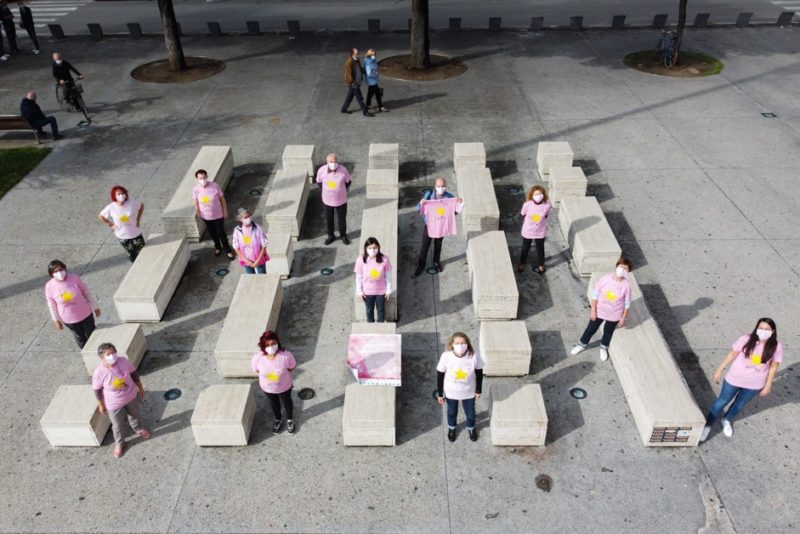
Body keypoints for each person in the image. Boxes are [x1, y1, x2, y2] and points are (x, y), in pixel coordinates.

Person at [700, 318, 782, 442]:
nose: (763, 331)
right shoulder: (746, 339)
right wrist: (720, 369)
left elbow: (774, 367)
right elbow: (732, 354)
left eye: (767, 329)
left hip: (755, 384)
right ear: (756, 328)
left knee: (740, 404)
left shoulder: (776, 346)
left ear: (773, 331)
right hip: (734, 379)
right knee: (721, 401)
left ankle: (727, 419)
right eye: (761, 328)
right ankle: (708, 424)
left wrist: (768, 385)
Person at [92, 342, 150, 458]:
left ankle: (137, 428)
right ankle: (119, 443)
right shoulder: (99, 372)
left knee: (134, 414)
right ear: (101, 357)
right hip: (114, 402)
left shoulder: (123, 361)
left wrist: (140, 388)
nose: (112, 356)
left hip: (131, 395)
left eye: (114, 352)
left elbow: (133, 374)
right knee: (117, 425)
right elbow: (97, 390)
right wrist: (101, 404)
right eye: (108, 354)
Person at [570, 257, 632, 362]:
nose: (622, 269)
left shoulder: (626, 285)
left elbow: (627, 303)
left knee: (608, 332)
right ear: (617, 266)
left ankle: (603, 347)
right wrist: (593, 310)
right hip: (599, 311)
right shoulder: (605, 278)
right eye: (621, 266)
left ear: (628, 272)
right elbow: (595, 294)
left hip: (615, 314)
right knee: (590, 329)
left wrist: (623, 317)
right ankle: (581, 344)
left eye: (625, 268)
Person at [436, 332, 484, 442]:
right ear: (452, 344)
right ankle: (452, 428)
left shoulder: (474, 355)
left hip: (469, 391)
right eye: (457, 343)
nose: (460, 345)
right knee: (451, 412)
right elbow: (440, 375)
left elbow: (479, 373)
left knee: (470, 413)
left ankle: (471, 428)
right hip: (451, 392)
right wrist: (440, 394)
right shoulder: (446, 356)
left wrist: (478, 390)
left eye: (463, 343)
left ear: (467, 343)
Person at [44, 260, 100, 349]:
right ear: (51, 274)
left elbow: (87, 293)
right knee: (80, 338)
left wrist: (95, 307)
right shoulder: (49, 286)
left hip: (85, 313)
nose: (59, 273)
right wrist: (56, 320)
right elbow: (52, 305)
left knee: (92, 334)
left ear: (64, 268)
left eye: (61, 269)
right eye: (55, 271)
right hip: (69, 319)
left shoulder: (75, 278)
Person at [414, 177, 463, 276]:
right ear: (435, 186)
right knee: (424, 245)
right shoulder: (429, 195)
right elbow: (419, 208)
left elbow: (454, 211)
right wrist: (421, 202)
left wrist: (460, 204)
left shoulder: (450, 198)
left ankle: (436, 261)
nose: (440, 188)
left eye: (442, 186)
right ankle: (421, 265)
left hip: (441, 225)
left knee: (438, 244)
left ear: (446, 186)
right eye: (438, 186)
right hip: (429, 225)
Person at [251, 330, 297, 434]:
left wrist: (280, 375)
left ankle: (290, 419)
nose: (271, 347)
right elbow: (257, 370)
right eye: (267, 345)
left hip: (285, 386)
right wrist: (271, 377)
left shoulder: (286, 356)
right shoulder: (257, 358)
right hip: (268, 389)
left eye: (273, 343)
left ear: (277, 342)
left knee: (287, 402)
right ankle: (278, 419)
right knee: (274, 403)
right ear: (263, 346)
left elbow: (292, 367)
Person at [192, 169, 234, 259]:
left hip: (218, 215)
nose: (202, 180)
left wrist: (225, 211)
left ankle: (228, 250)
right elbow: (196, 201)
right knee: (212, 233)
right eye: (200, 178)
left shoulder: (214, 186)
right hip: (206, 217)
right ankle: (218, 247)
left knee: (221, 233)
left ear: (207, 176)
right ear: (197, 179)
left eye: (204, 177)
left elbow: (222, 198)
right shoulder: (196, 189)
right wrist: (198, 212)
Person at [98, 185, 145, 262]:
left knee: (143, 252)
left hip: (136, 233)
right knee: (132, 255)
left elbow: (141, 206)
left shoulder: (132, 203)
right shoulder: (111, 207)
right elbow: (101, 216)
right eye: (119, 194)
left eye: (123, 193)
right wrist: (111, 224)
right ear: (114, 196)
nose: (121, 195)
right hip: (123, 236)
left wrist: (138, 219)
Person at [315, 153, 352, 245]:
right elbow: (319, 182)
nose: (333, 164)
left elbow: (348, 182)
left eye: (335, 161)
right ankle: (331, 236)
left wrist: (339, 190)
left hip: (341, 200)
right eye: (331, 162)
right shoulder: (321, 171)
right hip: (327, 201)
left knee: (342, 219)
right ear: (327, 162)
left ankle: (343, 235)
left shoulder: (343, 170)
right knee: (329, 219)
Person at [354, 237, 393, 323]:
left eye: (375, 247)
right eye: (370, 248)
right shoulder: (360, 260)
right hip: (367, 292)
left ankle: (380, 325)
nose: (372, 250)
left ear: (378, 247)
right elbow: (359, 277)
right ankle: (370, 325)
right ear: (366, 248)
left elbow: (388, 276)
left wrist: (388, 290)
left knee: (381, 310)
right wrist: (360, 291)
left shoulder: (385, 259)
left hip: (381, 291)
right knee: (369, 310)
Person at [518, 185, 552, 274]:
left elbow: (523, 214)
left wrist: (533, 219)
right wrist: (538, 219)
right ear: (532, 195)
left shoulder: (546, 205)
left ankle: (524, 266)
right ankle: (537, 267)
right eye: (536, 194)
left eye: (540, 194)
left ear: (543, 195)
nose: (538, 196)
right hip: (532, 231)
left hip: (535, 231)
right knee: (529, 248)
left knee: (535, 249)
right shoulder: (529, 204)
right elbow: (546, 215)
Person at [231, 208, 269, 274]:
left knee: (262, 277)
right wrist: (247, 261)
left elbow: (264, 245)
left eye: (249, 216)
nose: (248, 218)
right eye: (245, 217)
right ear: (240, 219)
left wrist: (258, 260)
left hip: (259, 259)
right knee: (250, 277)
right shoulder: (237, 230)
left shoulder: (258, 228)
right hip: (246, 260)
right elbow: (236, 247)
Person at [341, 48, 374, 117]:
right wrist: (352, 83)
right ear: (352, 54)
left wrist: (365, 71)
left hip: (357, 83)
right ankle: (365, 111)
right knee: (360, 98)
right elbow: (347, 74)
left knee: (349, 97)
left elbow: (359, 69)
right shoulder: (349, 62)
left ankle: (344, 109)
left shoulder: (357, 60)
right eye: (356, 54)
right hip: (354, 84)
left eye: (358, 53)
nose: (358, 55)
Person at [364, 48, 388, 113]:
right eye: (372, 54)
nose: (374, 55)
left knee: (370, 92)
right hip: (372, 80)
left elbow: (375, 67)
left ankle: (368, 105)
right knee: (377, 94)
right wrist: (375, 74)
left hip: (374, 80)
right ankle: (381, 107)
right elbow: (369, 73)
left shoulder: (373, 60)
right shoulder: (368, 62)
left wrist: (381, 68)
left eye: (374, 54)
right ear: (369, 54)